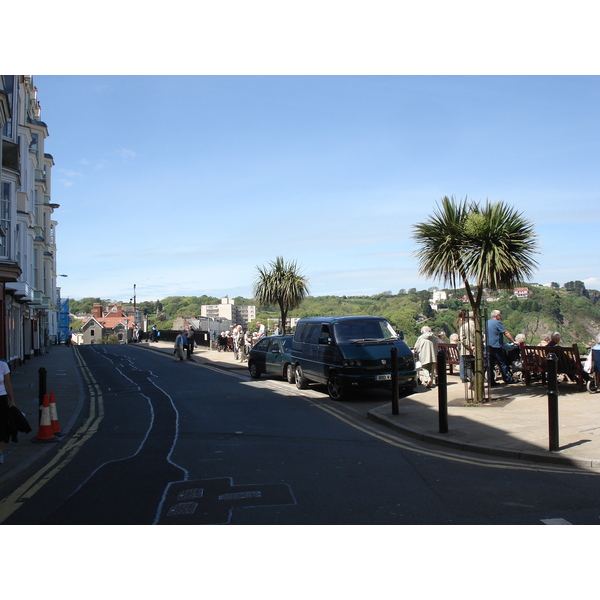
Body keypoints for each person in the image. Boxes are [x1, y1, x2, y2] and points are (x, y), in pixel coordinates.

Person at [486, 309, 516, 385]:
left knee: (491, 364)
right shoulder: (497, 323)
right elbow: (505, 332)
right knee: (502, 363)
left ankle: (491, 380)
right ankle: (507, 378)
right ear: (497, 316)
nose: (500, 316)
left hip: (489, 345)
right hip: (496, 346)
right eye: (500, 314)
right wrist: (513, 341)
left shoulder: (487, 322)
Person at [0, 360, 15, 464]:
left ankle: (0, 453)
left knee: (1, 426)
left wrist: (12, 400)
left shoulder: (3, 365)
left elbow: (7, 383)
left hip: (1, 398)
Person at [457, 309, 475, 383]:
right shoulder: (464, 323)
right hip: (467, 345)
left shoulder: (458, 322)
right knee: (465, 363)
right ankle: (469, 377)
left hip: (463, 343)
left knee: (463, 362)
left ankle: (463, 377)